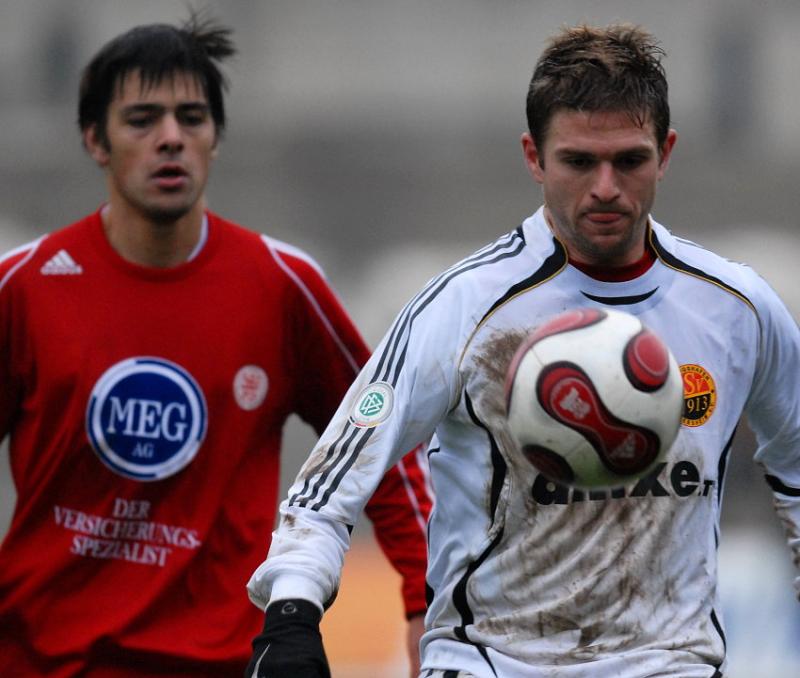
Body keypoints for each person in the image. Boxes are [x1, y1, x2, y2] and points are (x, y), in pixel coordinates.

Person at [246, 22, 800, 678]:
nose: (605, 186)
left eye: (629, 160)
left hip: (670, 666)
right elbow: (331, 482)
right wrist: (292, 614)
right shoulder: (465, 307)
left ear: (666, 152)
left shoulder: (736, 307)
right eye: (578, 161)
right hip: (494, 664)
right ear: (534, 157)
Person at [0, 15, 431, 678]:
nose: (171, 137)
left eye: (192, 117)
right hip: (42, 663)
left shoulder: (281, 286)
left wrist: (423, 601)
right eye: (142, 119)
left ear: (215, 138)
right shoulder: (26, 287)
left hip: (221, 664)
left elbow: (381, 445)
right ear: (95, 140)